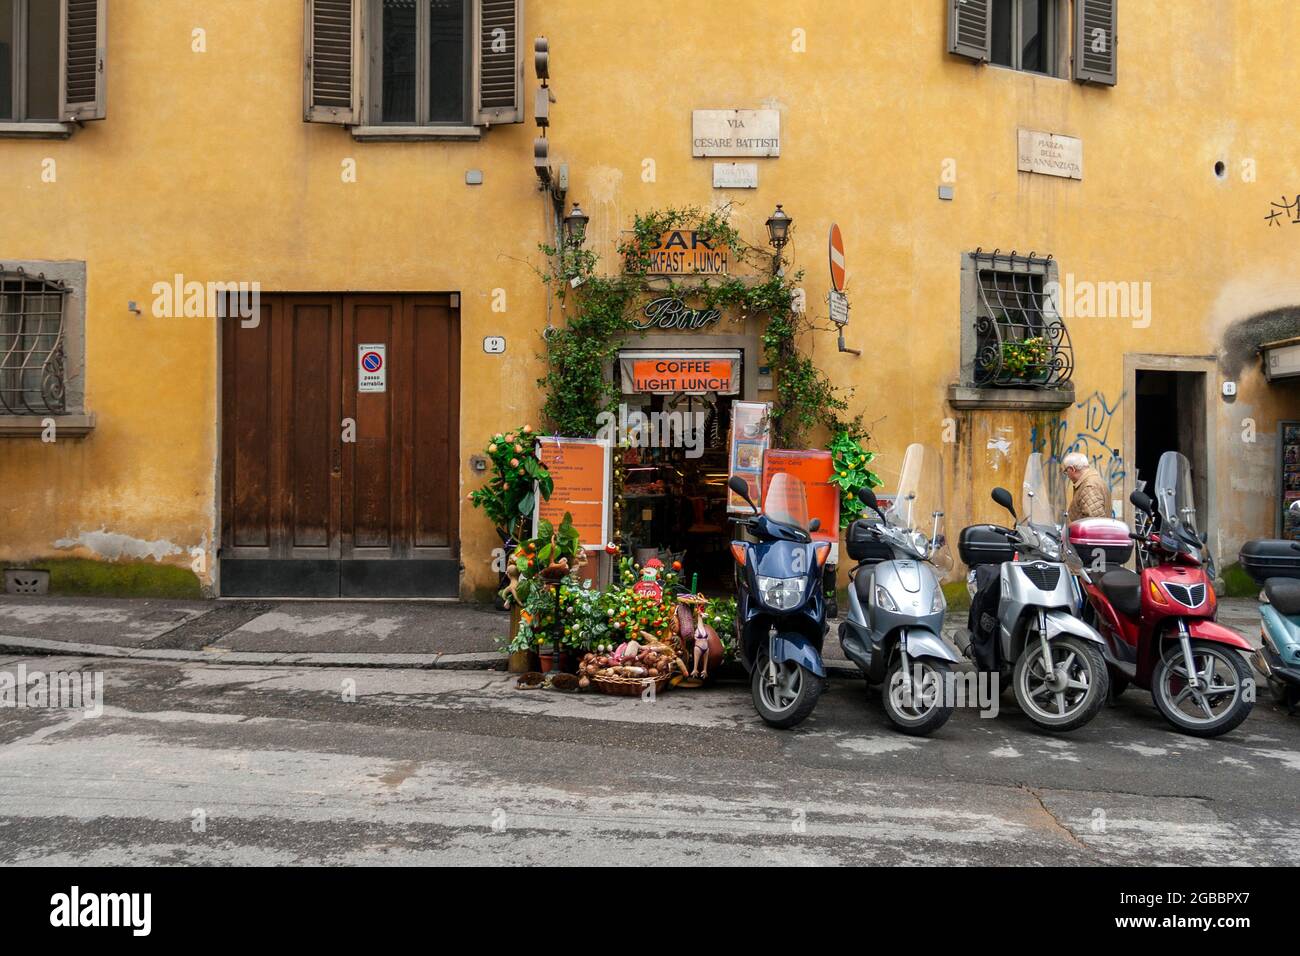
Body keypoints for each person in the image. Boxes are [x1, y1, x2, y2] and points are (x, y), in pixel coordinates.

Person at [1063, 452, 1108, 522]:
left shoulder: (1089, 487)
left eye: (1066, 471)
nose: (1067, 474)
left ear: (1072, 469)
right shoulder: (1092, 481)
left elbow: (1095, 523)